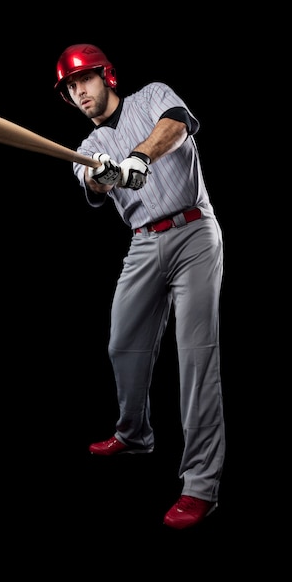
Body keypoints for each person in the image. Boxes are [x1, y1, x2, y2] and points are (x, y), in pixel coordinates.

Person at [54, 43, 225, 530]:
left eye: (84, 79)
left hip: (194, 231)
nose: (79, 91)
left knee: (196, 356)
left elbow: (175, 126)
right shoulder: (87, 147)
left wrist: (137, 157)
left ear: (106, 75)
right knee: (122, 344)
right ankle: (134, 433)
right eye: (70, 86)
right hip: (144, 242)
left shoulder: (152, 95)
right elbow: (91, 181)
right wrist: (103, 177)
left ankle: (200, 486)